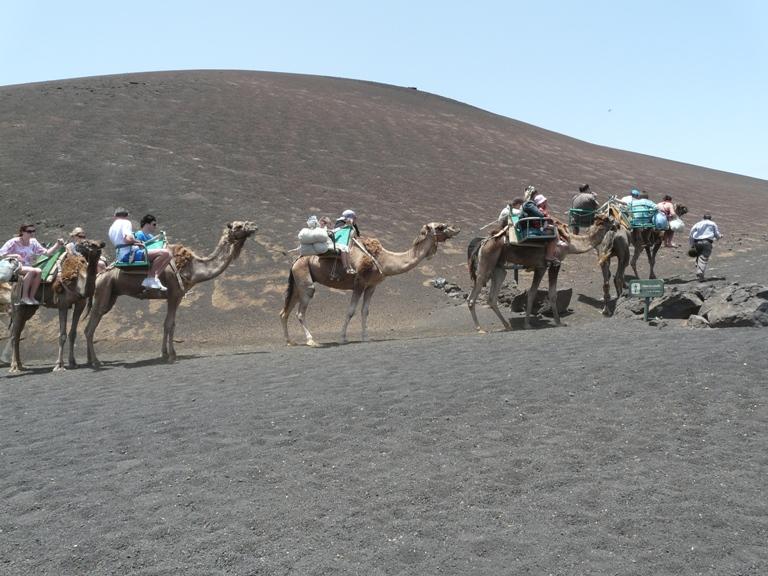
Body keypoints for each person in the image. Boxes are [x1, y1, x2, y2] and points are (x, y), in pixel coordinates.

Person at [0, 224, 64, 305]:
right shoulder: (14, 242)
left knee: (39, 271)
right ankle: (24, 297)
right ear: (22, 232)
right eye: (29, 231)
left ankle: (31, 297)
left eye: (33, 231)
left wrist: (57, 245)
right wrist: (15, 255)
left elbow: (46, 253)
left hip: (27, 267)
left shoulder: (33, 242)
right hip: (15, 266)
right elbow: (1, 254)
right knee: (32, 271)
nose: (32, 233)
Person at [108, 208, 170, 291]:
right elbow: (128, 239)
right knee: (165, 253)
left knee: (167, 255)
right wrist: (138, 242)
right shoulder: (126, 222)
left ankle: (154, 279)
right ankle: (151, 278)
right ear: (127, 216)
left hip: (120, 256)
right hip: (129, 255)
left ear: (114, 216)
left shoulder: (111, 228)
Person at [520, 185, 560, 266]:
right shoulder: (529, 204)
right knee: (554, 235)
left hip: (529, 229)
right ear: (533, 195)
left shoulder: (527, 204)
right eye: (536, 194)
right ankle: (549, 256)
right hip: (529, 231)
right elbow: (540, 215)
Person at [689, 213, 723, 281]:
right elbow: (716, 234)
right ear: (710, 218)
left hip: (697, 242)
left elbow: (691, 233)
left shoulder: (698, 223)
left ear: (703, 218)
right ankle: (700, 274)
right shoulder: (712, 223)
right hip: (707, 242)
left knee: (698, 256)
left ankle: (699, 272)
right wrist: (720, 236)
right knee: (703, 258)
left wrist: (692, 244)